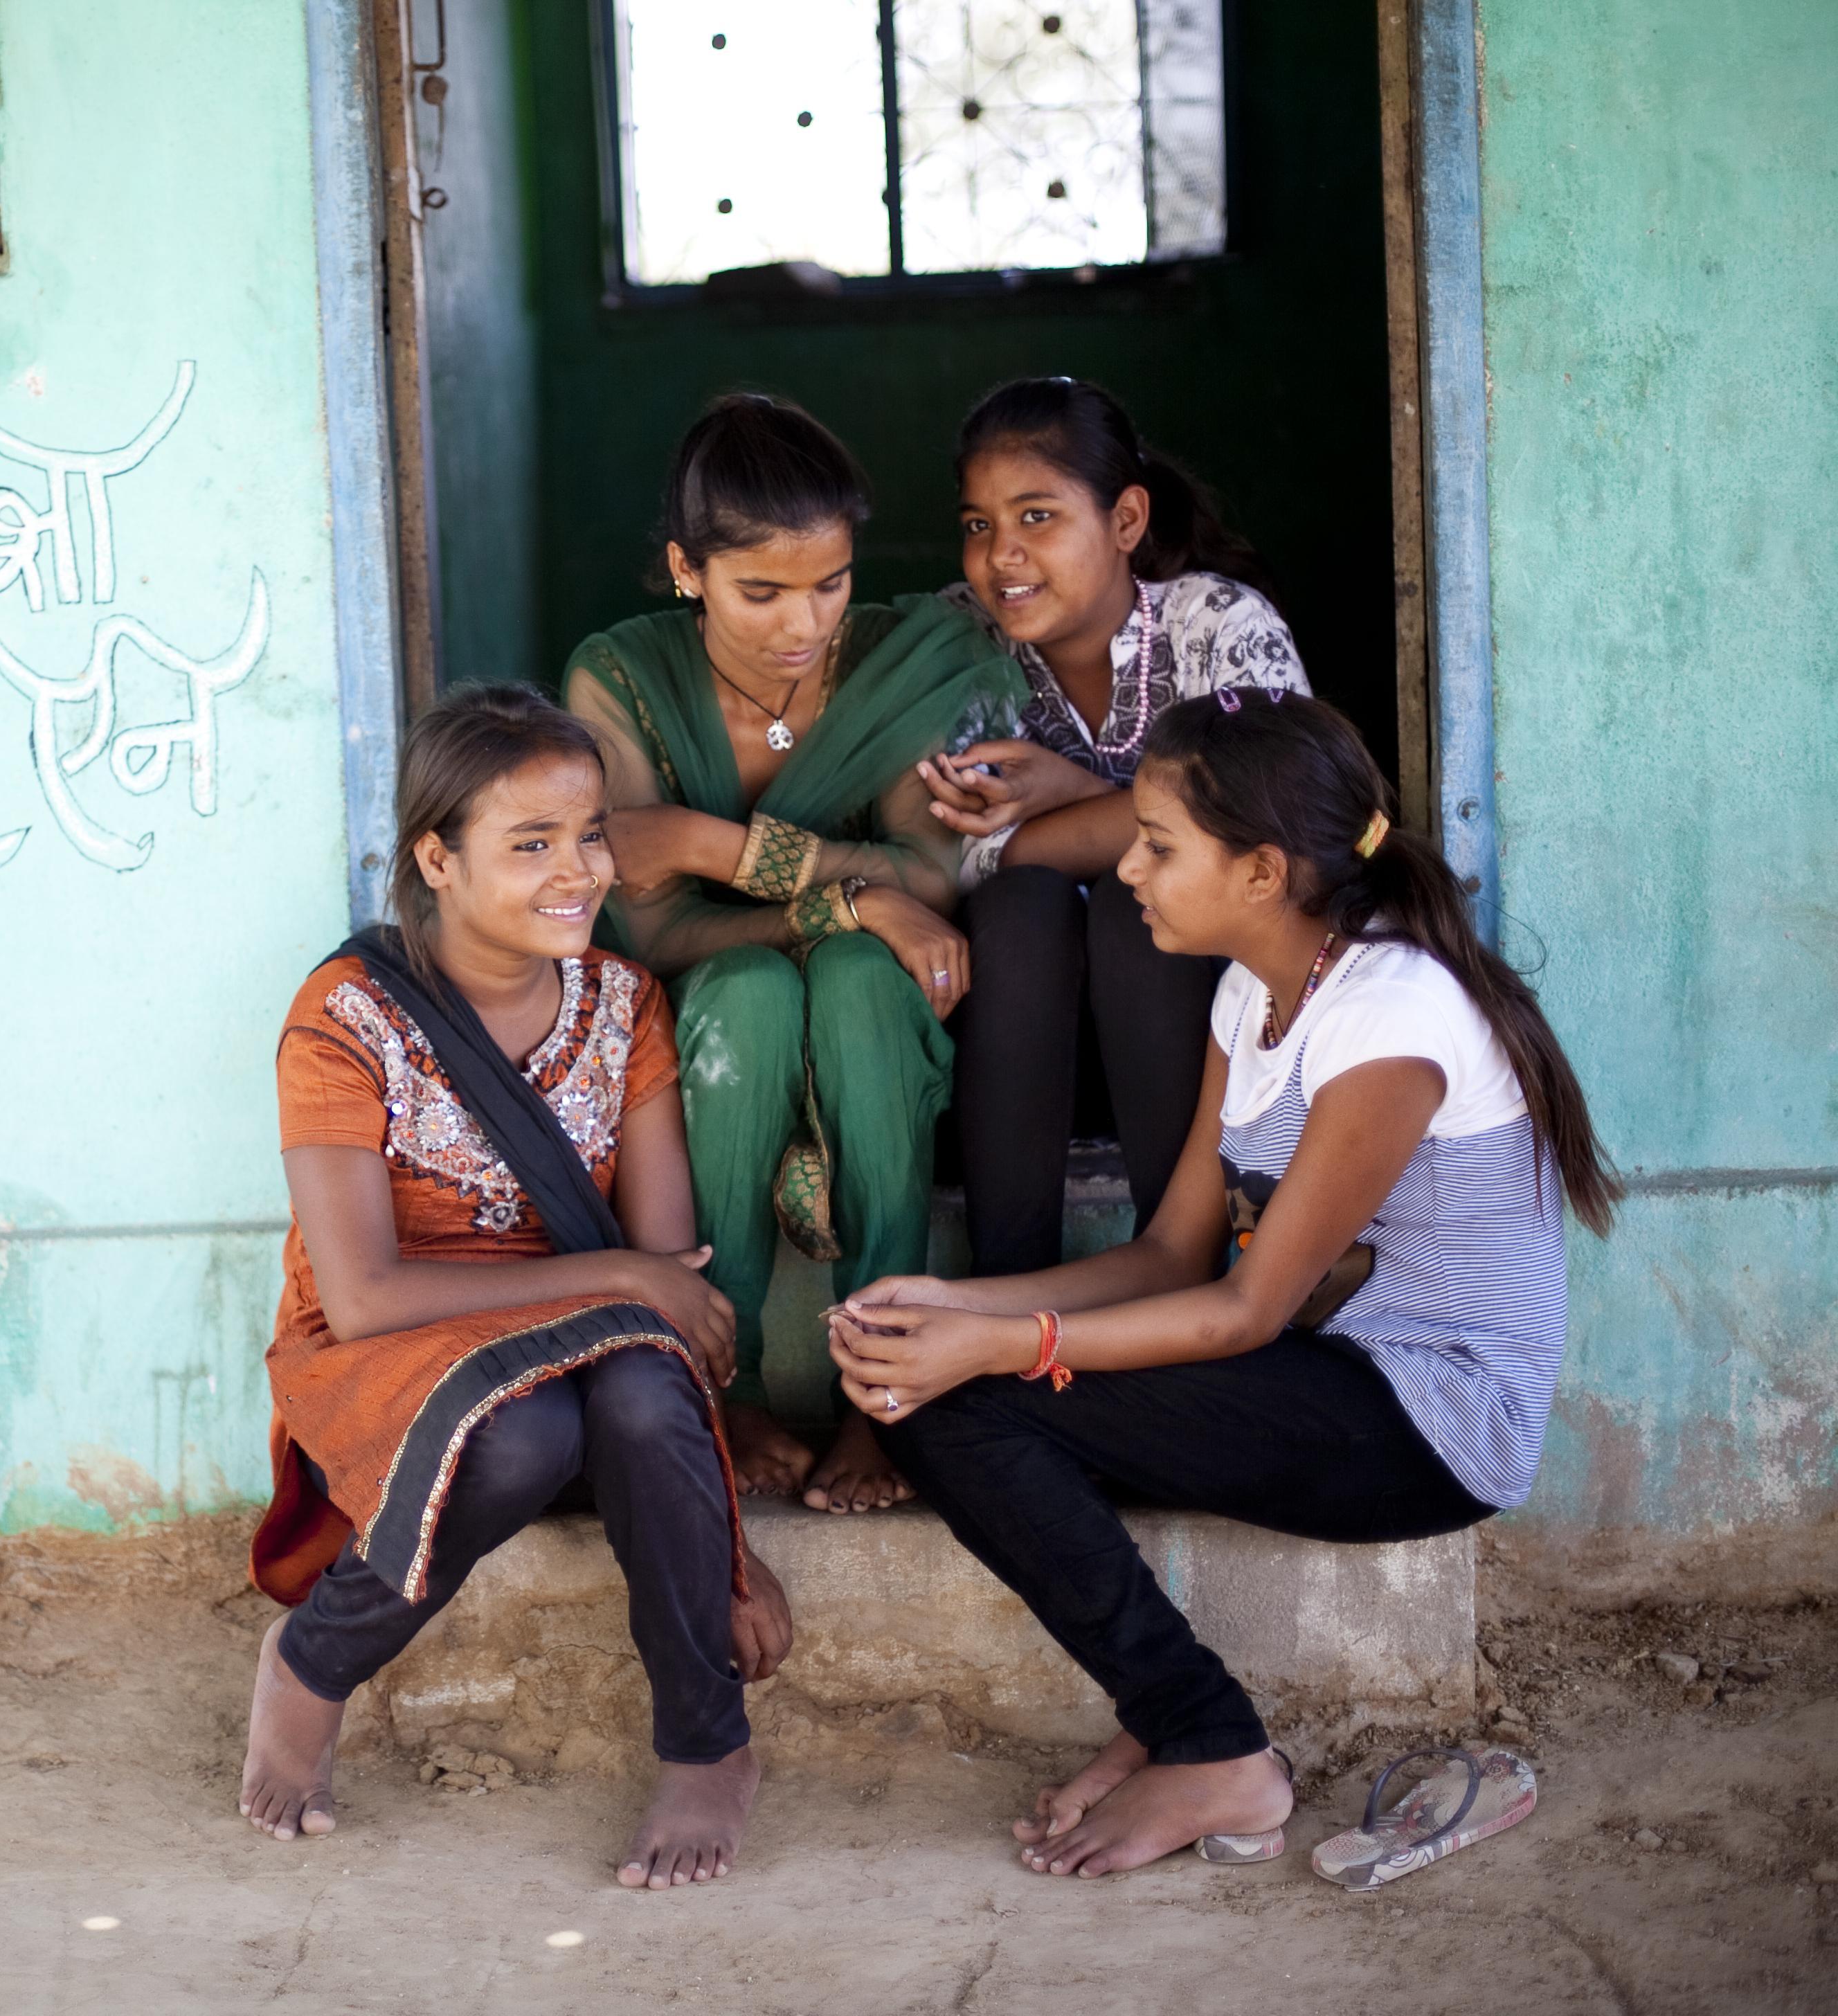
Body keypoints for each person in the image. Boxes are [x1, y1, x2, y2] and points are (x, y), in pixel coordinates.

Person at [830, 691, 1621, 1878]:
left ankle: (1215, 1746)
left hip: (1430, 1420)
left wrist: (1002, 1346)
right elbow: (1169, 1256)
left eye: (1158, 846)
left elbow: (1245, 1310)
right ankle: (1168, 1721)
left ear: (1260, 872)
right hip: (1321, 1375)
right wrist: (955, 1307)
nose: (1130, 870)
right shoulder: (1255, 992)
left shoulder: (1389, 1020)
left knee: (971, 1403)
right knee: (939, 1396)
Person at [242, 683, 793, 1889]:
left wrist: (722, 1539)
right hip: (395, 1344)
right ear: (436, 858)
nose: (578, 869)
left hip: (592, 1334)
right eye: (531, 844)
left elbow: (672, 1278)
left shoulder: (620, 1005)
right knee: (517, 1437)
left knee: (646, 1397)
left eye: (589, 833)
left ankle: (708, 1747)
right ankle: (316, 1660)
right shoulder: (343, 1020)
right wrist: (623, 1278)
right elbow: (369, 1293)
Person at [563, 393, 1023, 1516]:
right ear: (687, 569)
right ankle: (732, 1384)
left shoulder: (901, 662)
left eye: (830, 582)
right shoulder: (619, 680)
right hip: (713, 1006)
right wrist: (848, 901)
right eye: (759, 591)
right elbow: (661, 932)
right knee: (748, 994)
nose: (802, 623)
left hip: (872, 1005)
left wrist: (707, 844)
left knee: (869, 986)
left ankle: (883, 1393)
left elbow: (927, 875)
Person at [916, 377, 1308, 1279]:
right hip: (1009, 1041)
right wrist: (1086, 825)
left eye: (1038, 518)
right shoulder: (958, 643)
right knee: (1019, 909)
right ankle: (1006, 1286)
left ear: (1127, 520)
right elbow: (935, 855)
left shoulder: (1216, 626)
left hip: (1205, 1035)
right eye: (979, 525)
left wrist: (1070, 795)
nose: (1002, 557)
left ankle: (1194, 1264)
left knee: (1136, 914)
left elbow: (1268, 816)